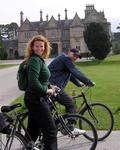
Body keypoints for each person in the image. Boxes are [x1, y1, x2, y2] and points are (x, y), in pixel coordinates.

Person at [48, 48, 95, 134]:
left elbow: (71, 75)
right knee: (71, 103)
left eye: (77, 56)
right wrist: (88, 81)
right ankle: (70, 128)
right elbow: (75, 71)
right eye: (74, 55)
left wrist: (78, 84)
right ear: (69, 52)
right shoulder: (65, 58)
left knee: (49, 112)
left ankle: (51, 128)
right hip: (54, 88)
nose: (75, 58)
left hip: (50, 86)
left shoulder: (64, 60)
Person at [24, 35, 58, 150]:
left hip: (33, 98)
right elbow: (33, 82)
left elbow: (41, 79)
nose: (40, 48)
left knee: (32, 131)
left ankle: (27, 148)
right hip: (36, 99)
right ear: (32, 47)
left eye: (42, 46)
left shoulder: (38, 59)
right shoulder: (34, 60)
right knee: (51, 131)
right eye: (37, 46)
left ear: (45, 47)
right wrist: (47, 90)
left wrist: (50, 86)